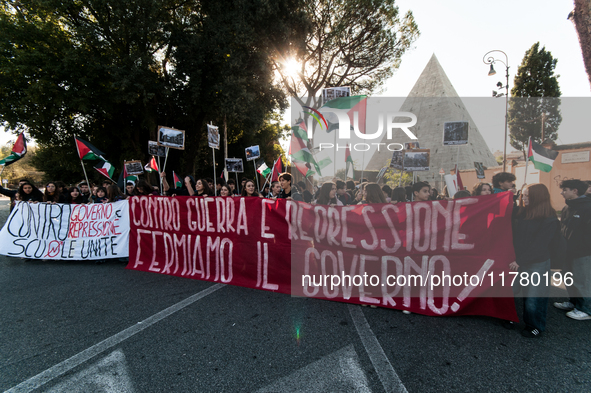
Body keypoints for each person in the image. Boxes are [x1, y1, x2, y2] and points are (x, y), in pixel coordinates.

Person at [510, 183, 559, 337]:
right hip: (516, 260)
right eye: (522, 195)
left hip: (536, 262)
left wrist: (520, 261)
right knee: (509, 290)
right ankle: (509, 316)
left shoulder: (549, 219)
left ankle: (534, 325)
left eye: (527, 195)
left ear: (538, 197)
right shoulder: (520, 212)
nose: (523, 198)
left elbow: (540, 245)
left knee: (534, 297)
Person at [553, 179, 591, 320]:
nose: (562, 193)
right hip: (567, 251)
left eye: (565, 190)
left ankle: (586, 310)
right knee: (569, 279)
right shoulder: (567, 208)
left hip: (583, 253)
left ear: (574, 191)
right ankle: (573, 303)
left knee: (583, 281)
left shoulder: (587, 207)